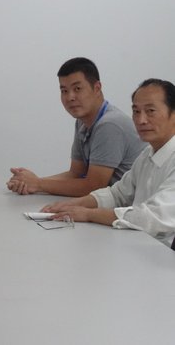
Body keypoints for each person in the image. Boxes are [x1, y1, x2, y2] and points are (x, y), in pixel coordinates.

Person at [43, 79, 175, 246]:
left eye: (150, 111)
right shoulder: (147, 154)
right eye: (136, 111)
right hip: (139, 244)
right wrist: (74, 204)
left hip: (163, 255)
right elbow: (117, 194)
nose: (141, 120)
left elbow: (151, 218)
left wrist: (88, 214)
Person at [7, 57, 144, 196]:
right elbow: (76, 173)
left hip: (136, 204)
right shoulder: (82, 122)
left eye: (77, 89)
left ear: (97, 88)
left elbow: (94, 187)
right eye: (64, 91)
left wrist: (38, 184)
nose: (70, 97)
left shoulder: (110, 125)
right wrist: (29, 182)